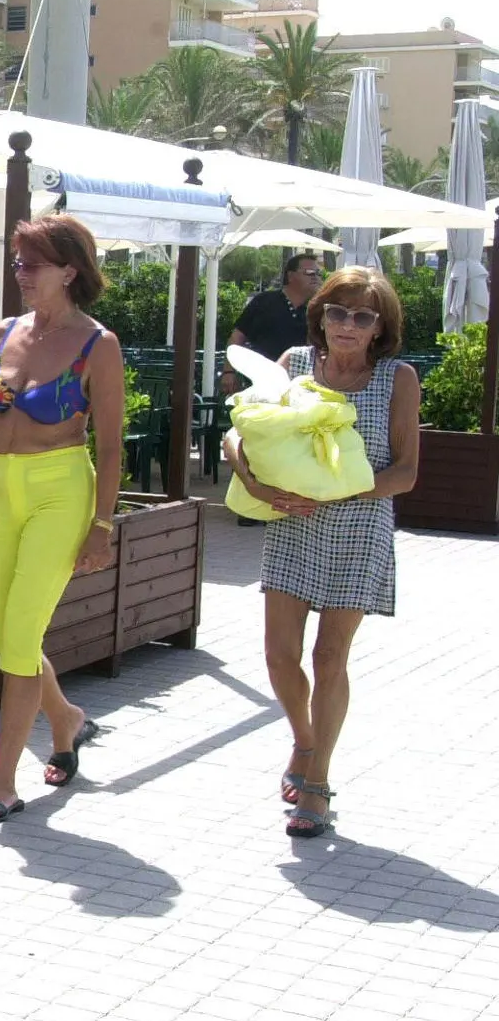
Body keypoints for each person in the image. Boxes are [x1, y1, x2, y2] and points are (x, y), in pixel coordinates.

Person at [224, 267, 419, 839]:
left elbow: (406, 474)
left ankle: (319, 780)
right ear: (321, 315)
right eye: (337, 312)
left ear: (380, 326)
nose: (347, 325)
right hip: (293, 525)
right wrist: (254, 484)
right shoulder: (294, 364)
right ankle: (305, 741)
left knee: (330, 657)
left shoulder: (397, 378)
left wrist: (341, 486)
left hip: (359, 528)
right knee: (279, 656)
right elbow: (241, 432)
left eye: (362, 315)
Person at [0, 214, 125, 826]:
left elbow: (109, 446)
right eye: (18, 262)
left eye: (32, 264)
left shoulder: (97, 344)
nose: (20, 273)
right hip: (3, 486)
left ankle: (2, 781)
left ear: (70, 270)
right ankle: (66, 719)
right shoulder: (4, 333)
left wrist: (102, 525)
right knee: (8, 639)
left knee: (19, 639)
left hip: (60, 488)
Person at [222, 253, 321, 394]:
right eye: (310, 272)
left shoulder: (316, 310)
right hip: (259, 382)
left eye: (318, 273)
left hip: (301, 387)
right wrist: (228, 372)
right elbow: (237, 337)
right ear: (291, 276)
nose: (315, 277)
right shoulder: (264, 302)